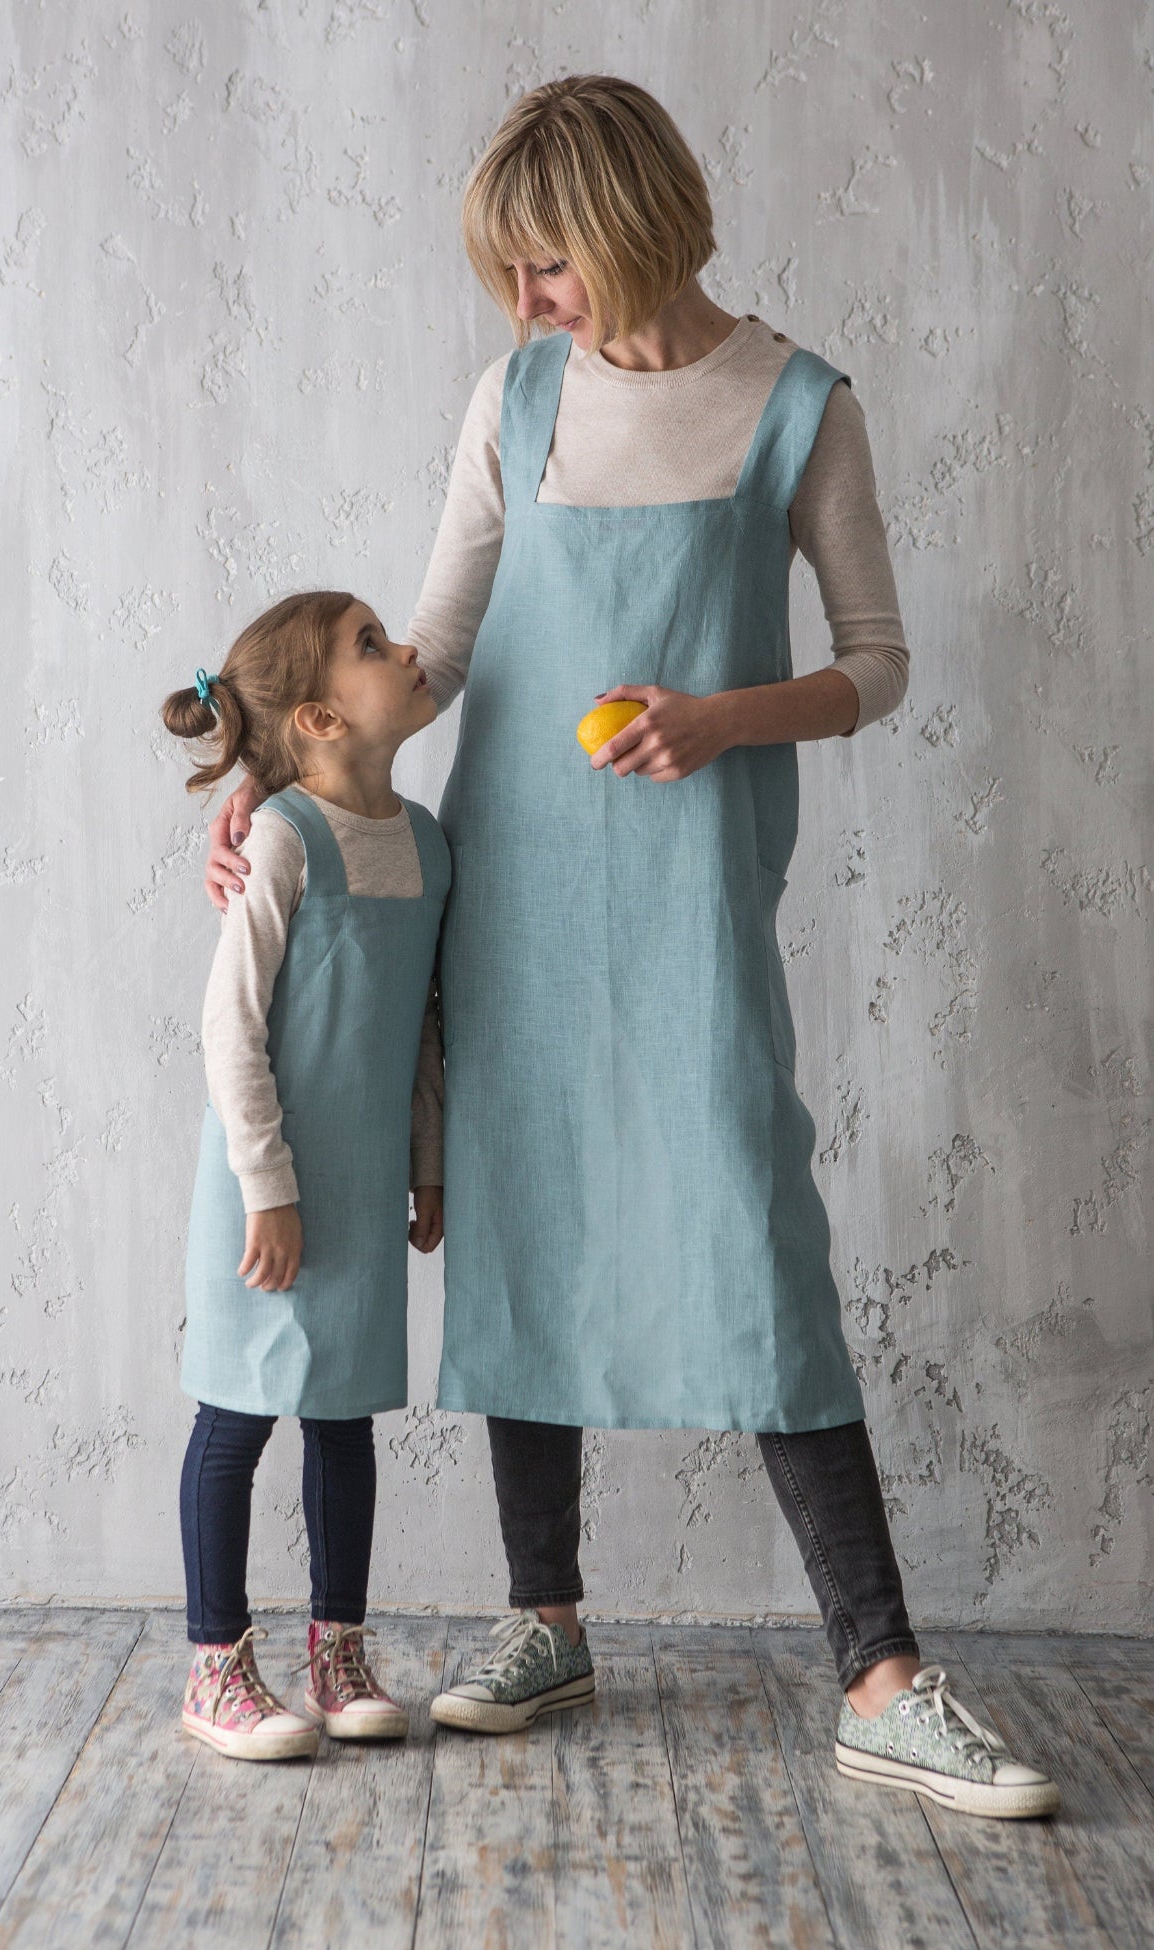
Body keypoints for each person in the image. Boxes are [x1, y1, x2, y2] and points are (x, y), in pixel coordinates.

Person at [205, 77, 1059, 1818]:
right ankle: (547, 1619)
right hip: (504, 887)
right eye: (509, 276)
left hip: (691, 905)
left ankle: (881, 1678)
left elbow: (879, 663)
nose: (527, 305)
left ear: (632, 228)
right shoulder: (515, 398)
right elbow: (429, 654)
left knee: (757, 1239)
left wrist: (727, 718)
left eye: (549, 267)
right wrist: (263, 774)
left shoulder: (798, 407)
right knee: (524, 1227)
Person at [163, 589, 448, 1759]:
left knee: (343, 1418)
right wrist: (267, 1184)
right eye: (375, 645)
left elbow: (428, 1026)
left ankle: (338, 1651)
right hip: (262, 1194)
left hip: (367, 1184)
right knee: (236, 1416)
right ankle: (216, 1666)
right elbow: (228, 1027)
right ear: (324, 716)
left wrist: (429, 1170)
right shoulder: (279, 838)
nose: (411, 649)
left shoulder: (430, 841)